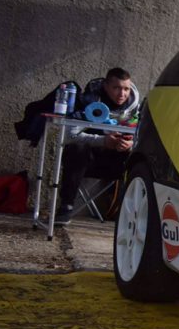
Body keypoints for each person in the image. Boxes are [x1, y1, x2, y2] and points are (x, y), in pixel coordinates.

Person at [55, 67, 141, 224]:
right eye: (116, 88)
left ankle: (131, 215)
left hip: (117, 164)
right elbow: (69, 135)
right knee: (76, 148)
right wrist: (103, 141)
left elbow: (144, 140)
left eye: (126, 89)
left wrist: (130, 145)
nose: (122, 94)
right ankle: (66, 207)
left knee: (139, 156)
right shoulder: (90, 102)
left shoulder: (134, 109)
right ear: (106, 87)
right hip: (87, 163)